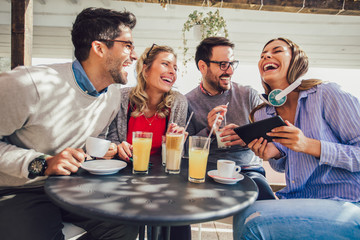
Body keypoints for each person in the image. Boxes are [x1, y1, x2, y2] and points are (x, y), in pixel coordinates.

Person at [0, 7, 139, 240]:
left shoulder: (112, 96)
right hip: (18, 190)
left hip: (71, 185)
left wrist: (105, 149)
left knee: (125, 226)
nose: (134, 55)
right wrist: (43, 163)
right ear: (99, 48)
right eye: (127, 45)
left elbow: (86, 140)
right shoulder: (29, 84)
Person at [233, 37, 360, 239]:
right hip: (298, 199)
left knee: (253, 223)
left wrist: (310, 145)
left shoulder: (327, 94)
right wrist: (274, 155)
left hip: (347, 202)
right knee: (244, 213)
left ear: (296, 61)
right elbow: (284, 166)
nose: (266, 55)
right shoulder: (263, 114)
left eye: (277, 51)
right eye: (263, 54)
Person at [105, 44, 190, 240]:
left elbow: (175, 158)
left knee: (177, 214)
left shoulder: (178, 102)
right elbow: (109, 137)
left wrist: (175, 141)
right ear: (145, 68)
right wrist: (118, 147)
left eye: (175, 68)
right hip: (124, 176)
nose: (172, 71)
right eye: (165, 64)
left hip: (161, 180)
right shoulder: (121, 97)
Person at [186, 37, 275, 200]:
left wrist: (245, 137)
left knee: (268, 206)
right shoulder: (188, 102)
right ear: (203, 66)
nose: (230, 71)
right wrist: (209, 131)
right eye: (223, 65)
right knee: (177, 208)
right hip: (206, 172)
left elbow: (271, 134)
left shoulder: (249, 95)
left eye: (232, 64)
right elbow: (184, 148)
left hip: (248, 170)